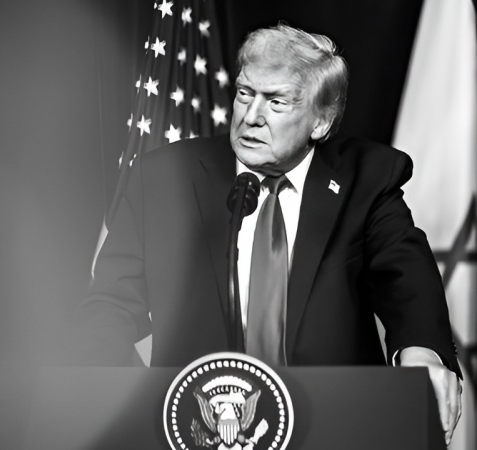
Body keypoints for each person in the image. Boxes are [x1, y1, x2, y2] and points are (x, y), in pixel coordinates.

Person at [76, 23, 462, 443]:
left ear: (321, 121)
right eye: (245, 93)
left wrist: (423, 351)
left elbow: (406, 279)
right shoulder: (162, 178)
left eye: (276, 101)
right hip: (197, 427)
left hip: (335, 424)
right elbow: (113, 302)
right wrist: (99, 380)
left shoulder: (366, 177)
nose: (251, 117)